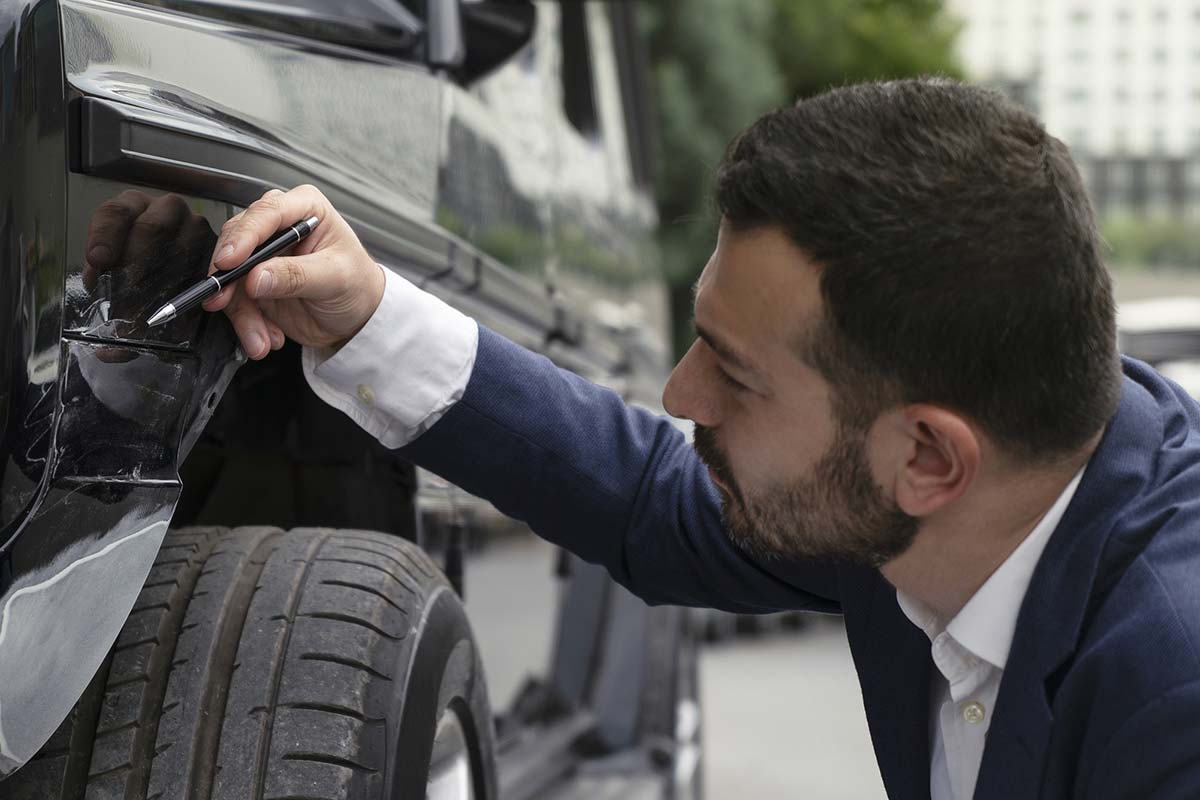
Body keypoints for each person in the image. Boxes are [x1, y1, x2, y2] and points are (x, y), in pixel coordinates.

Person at [201, 79, 1200, 799]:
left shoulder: (1171, 698)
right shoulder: (948, 504)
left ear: (930, 458)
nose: (681, 394)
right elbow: (648, 498)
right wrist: (367, 314)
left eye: (736, 372)